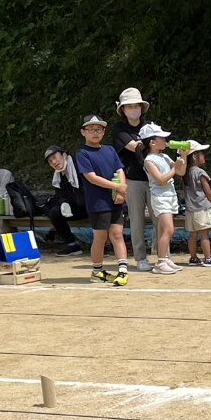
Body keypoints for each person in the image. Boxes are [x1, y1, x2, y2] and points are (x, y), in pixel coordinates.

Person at [75, 115, 129, 286]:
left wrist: (121, 189)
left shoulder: (110, 150)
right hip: (97, 202)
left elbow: (119, 169)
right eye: (91, 129)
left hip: (115, 200)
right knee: (101, 236)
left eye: (98, 129)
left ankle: (123, 270)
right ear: (83, 132)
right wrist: (118, 187)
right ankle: (97, 271)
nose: (95, 132)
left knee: (117, 234)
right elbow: (91, 178)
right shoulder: (82, 153)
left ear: (104, 132)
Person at [112, 87, 153, 270]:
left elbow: (160, 145)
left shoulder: (150, 126)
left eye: (136, 105)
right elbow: (135, 147)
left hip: (154, 178)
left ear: (141, 108)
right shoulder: (120, 129)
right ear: (123, 110)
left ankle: (163, 256)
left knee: (161, 218)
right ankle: (140, 258)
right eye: (129, 106)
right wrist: (150, 143)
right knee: (137, 221)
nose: (134, 109)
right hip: (133, 179)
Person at [140, 122, 188, 274]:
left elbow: (181, 172)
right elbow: (161, 179)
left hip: (170, 195)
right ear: (152, 142)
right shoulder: (149, 160)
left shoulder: (165, 156)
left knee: (163, 230)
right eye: (162, 138)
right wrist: (175, 168)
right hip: (160, 197)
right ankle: (161, 262)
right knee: (169, 229)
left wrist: (184, 156)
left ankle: (165, 259)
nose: (165, 140)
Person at [182, 140, 211, 267]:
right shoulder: (200, 172)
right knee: (204, 234)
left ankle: (193, 257)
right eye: (201, 153)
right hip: (202, 207)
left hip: (190, 209)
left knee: (192, 235)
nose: (204, 156)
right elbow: (207, 190)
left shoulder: (185, 172)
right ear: (194, 157)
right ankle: (208, 258)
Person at [43, 145, 88, 256]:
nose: (54, 162)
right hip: (77, 207)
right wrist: (64, 203)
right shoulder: (59, 175)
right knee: (54, 212)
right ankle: (72, 245)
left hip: (91, 204)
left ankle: (103, 245)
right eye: (50, 161)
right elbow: (60, 194)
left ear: (64, 155)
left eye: (55, 157)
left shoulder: (79, 165)